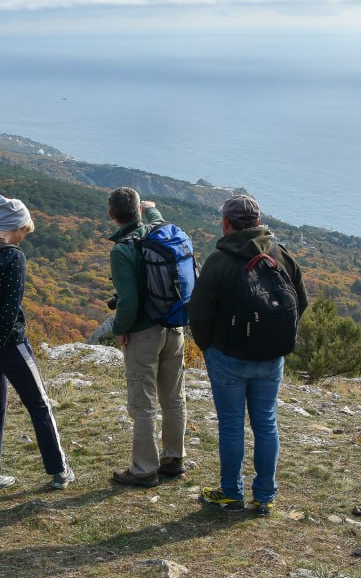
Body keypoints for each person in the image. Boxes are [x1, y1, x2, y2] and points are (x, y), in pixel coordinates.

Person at [188, 194, 308, 515]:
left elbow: (198, 315)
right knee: (266, 424)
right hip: (271, 358)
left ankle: (231, 494)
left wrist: (209, 347)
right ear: (259, 222)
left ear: (226, 223)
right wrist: (277, 338)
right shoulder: (280, 256)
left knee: (231, 426)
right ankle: (265, 496)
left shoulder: (219, 261)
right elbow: (301, 303)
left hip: (228, 357)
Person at [0, 194, 74, 493]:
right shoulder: (13, 256)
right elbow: (10, 312)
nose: (26, 235)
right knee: (39, 404)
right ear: (20, 225)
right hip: (9, 346)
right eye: (26, 229)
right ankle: (60, 471)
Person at [105, 187, 187, 487]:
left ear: (112, 215)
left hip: (144, 335)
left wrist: (119, 330)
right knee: (173, 396)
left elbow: (128, 301)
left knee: (143, 403)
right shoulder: (157, 232)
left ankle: (143, 470)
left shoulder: (122, 250)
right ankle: (173, 459)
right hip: (174, 328)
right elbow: (155, 216)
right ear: (139, 210)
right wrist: (150, 208)